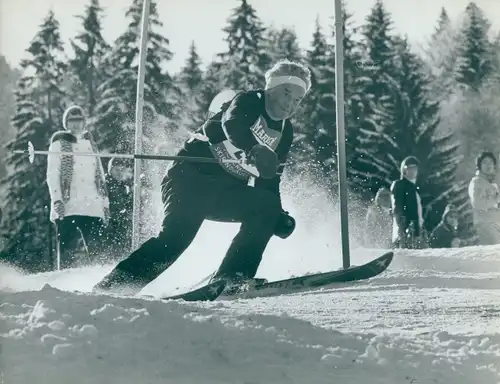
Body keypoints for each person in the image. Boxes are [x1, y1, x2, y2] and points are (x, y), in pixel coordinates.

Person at [93, 59, 310, 295]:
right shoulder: (247, 101)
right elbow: (233, 125)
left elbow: (270, 179)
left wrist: (276, 215)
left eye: (298, 99)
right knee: (175, 240)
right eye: (286, 93)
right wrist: (254, 148)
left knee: (266, 206)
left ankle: (233, 276)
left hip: (225, 192)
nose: (290, 104)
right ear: (270, 88)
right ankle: (113, 287)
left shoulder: (284, 131)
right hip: (189, 179)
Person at [46, 105, 110, 269]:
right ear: (66, 123)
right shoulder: (58, 144)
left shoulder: (91, 144)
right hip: (69, 205)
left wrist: (105, 204)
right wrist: (57, 200)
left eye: (79, 120)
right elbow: (53, 174)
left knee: (97, 252)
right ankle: (64, 285)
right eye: (71, 120)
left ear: (84, 122)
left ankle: (99, 282)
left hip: (92, 205)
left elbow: (100, 175)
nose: (75, 124)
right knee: (67, 252)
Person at [390, 156, 424, 249]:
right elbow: (397, 209)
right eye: (409, 168)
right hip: (404, 234)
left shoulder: (414, 188)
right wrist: (402, 230)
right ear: (403, 170)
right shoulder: (400, 185)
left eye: (415, 168)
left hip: (415, 233)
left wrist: (418, 230)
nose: (413, 171)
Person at [468, 151, 500, 245]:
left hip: (495, 224)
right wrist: (496, 199)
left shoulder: (492, 183)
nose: (488, 165)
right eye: (485, 162)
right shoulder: (477, 182)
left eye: (490, 162)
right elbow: (478, 204)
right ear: (479, 165)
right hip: (485, 224)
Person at [106, 157, 134, 259]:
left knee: (122, 245)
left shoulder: (124, 185)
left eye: (122, 170)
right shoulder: (106, 183)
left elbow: (127, 203)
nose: (119, 173)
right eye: (116, 170)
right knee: (109, 246)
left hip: (121, 220)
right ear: (110, 170)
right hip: (109, 220)